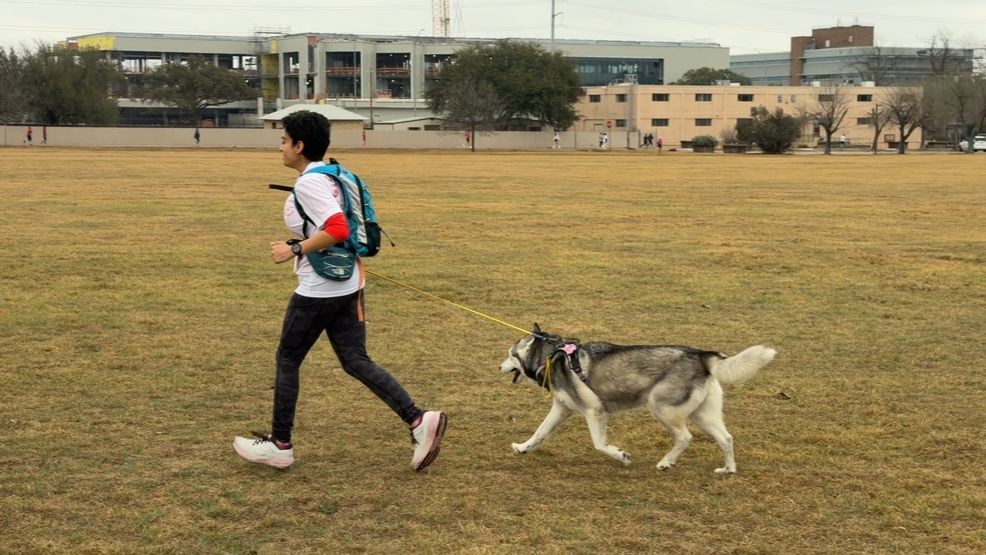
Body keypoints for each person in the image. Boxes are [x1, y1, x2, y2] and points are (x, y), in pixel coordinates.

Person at [233, 110, 446, 471]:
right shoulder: (330, 176)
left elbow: (337, 228)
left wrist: (296, 249)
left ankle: (280, 444)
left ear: (300, 145)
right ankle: (418, 420)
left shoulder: (309, 183)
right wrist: (304, 240)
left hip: (320, 289)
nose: (281, 147)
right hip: (348, 282)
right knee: (354, 360)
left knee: (288, 358)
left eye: (284, 141)